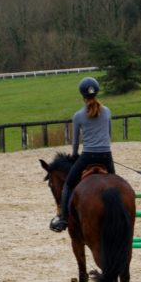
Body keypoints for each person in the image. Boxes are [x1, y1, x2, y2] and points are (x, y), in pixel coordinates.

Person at [49, 76, 115, 232]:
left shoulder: (78, 115)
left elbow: (76, 141)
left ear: (82, 95)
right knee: (114, 185)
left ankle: (63, 220)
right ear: (96, 93)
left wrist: (73, 154)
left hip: (87, 156)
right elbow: (109, 133)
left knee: (68, 185)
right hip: (106, 155)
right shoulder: (107, 111)